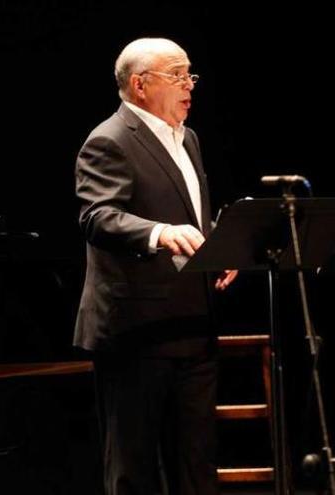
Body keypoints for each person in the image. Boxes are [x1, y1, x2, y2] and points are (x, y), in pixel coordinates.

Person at [73, 38, 237, 495]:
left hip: (193, 322)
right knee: (135, 469)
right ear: (140, 84)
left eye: (191, 75)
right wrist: (159, 233)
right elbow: (98, 216)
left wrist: (219, 251)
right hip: (135, 331)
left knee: (197, 464)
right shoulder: (109, 139)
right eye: (178, 75)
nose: (190, 85)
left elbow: (190, 214)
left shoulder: (189, 137)